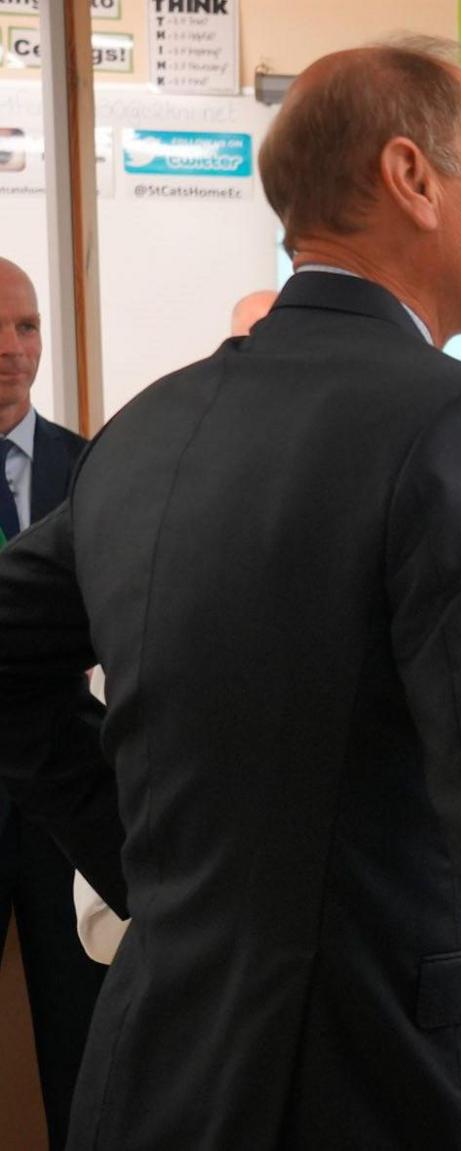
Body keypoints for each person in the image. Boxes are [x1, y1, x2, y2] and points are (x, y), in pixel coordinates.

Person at [0, 40, 461, 1149]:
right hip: (364, 1089)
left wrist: (156, 871)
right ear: (411, 176)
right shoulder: (453, 422)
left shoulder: (147, 430)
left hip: (151, 1075)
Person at [0, 256, 101, 1150]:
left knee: (82, 1027)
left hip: (65, 803)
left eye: (27, 327)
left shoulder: (95, 466)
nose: (10, 349)